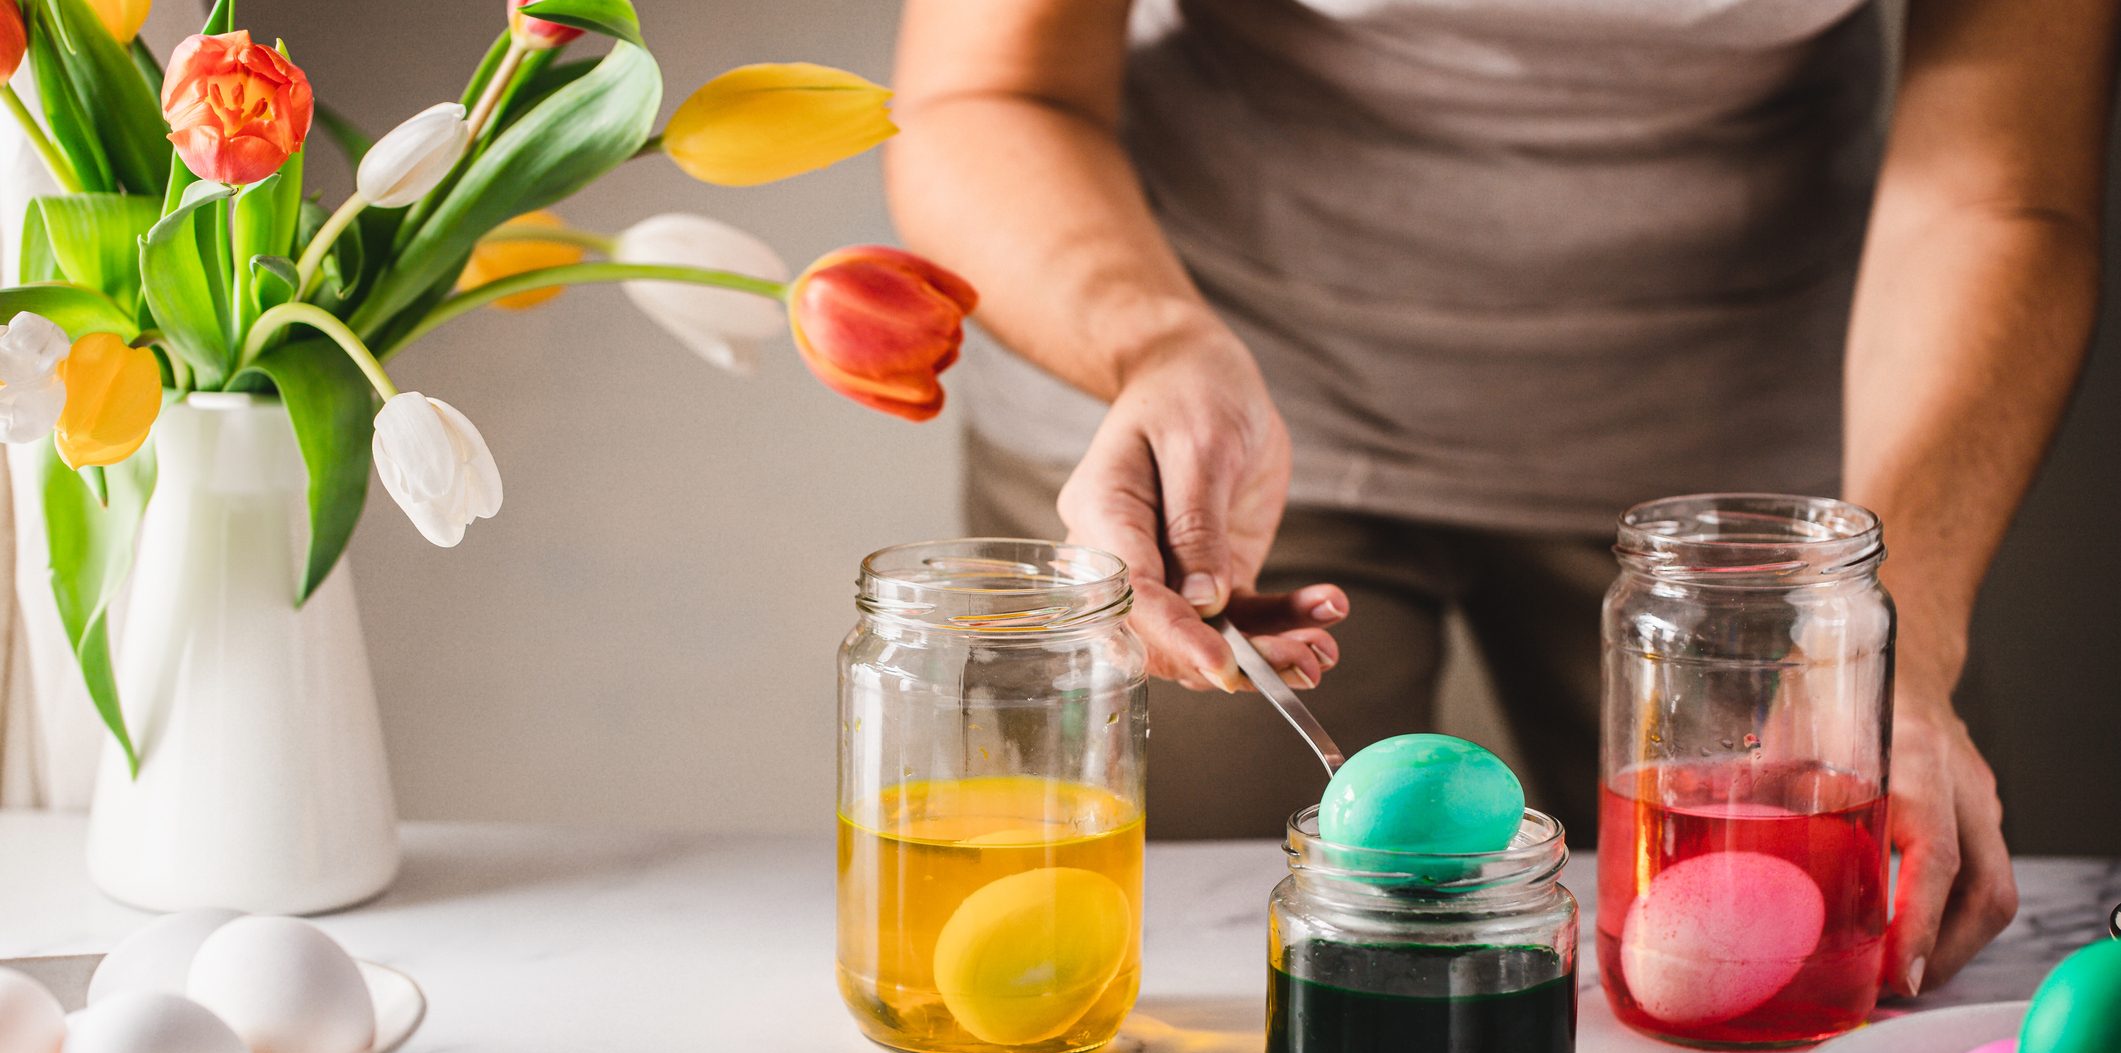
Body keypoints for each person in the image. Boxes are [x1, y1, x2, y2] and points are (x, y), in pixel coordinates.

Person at [884, 0, 2118, 996]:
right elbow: (990, 91)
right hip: (1216, 420)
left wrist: (1891, 624)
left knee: (1839, 950)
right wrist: (1157, 349)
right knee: (1172, 968)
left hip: (1729, 509)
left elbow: (1997, 189)